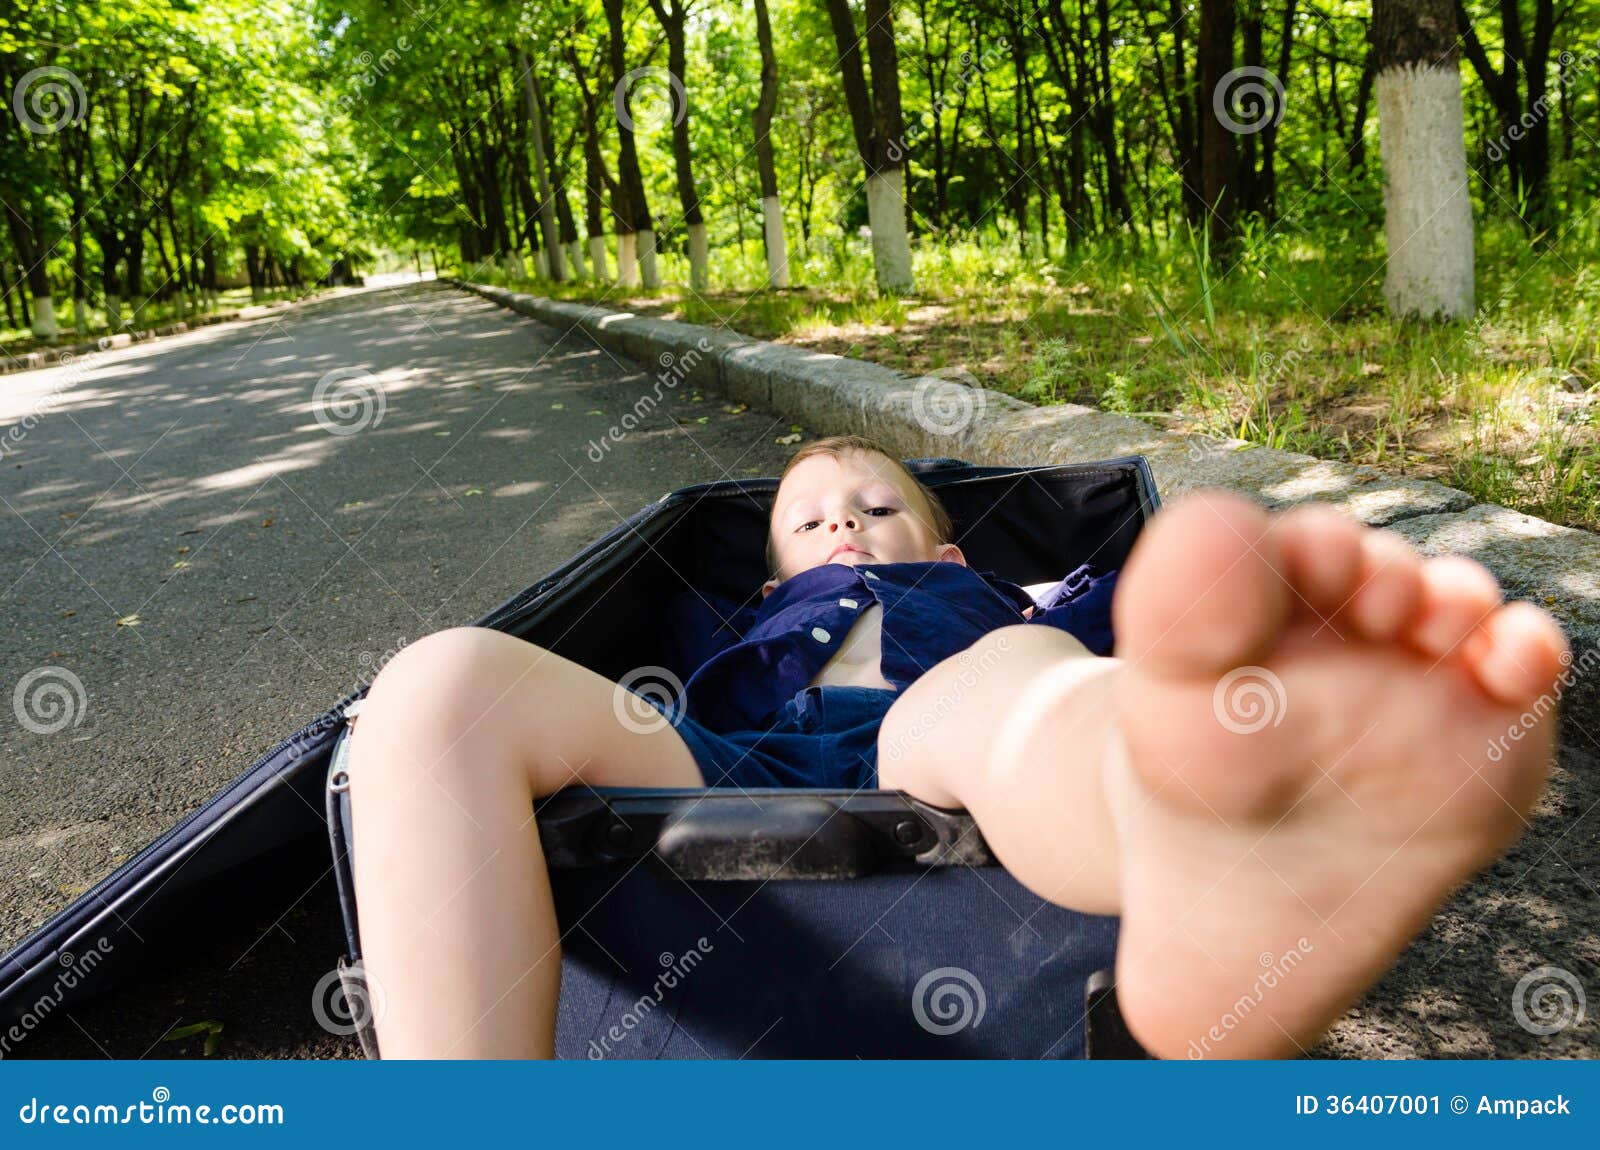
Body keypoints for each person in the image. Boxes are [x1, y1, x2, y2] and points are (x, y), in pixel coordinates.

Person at [344, 434, 1569, 1059]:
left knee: (1037, 696)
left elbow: (1098, 623)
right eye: (810, 521)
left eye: (878, 509)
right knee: (439, 684)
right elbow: (616, 671)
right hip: (725, 758)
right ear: (769, 567)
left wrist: (1071, 616)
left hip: (931, 728)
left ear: (942, 545)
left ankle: (1195, 830)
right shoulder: (715, 617)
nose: (844, 527)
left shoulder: (992, 594)